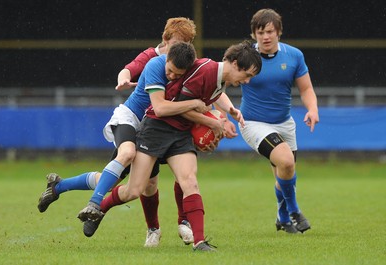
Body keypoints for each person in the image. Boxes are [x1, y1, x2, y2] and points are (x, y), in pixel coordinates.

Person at [79, 40, 262, 252]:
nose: (247, 81)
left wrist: (224, 118)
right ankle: (99, 208)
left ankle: (200, 242)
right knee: (134, 190)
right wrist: (212, 122)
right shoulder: (206, 71)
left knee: (190, 182)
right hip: (156, 128)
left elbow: (208, 103)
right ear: (235, 63)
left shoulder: (220, 80)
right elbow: (177, 108)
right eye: (247, 74)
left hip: (180, 134)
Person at [37, 17, 206, 246]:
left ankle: (60, 186)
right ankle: (98, 206)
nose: (180, 47)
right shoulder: (151, 58)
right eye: (178, 42)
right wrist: (124, 79)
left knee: (143, 184)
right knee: (126, 157)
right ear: (165, 39)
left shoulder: (183, 62)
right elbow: (128, 69)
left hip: (155, 128)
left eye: (186, 43)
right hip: (131, 118)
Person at [239, 9, 319, 233]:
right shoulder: (243, 56)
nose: (265, 36)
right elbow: (219, 81)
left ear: (279, 32)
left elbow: (306, 88)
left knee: (285, 173)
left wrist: (312, 109)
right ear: (254, 34)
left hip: (284, 123)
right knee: (286, 161)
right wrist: (218, 113)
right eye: (260, 32)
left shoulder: (294, 55)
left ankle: (282, 218)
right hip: (253, 123)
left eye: (270, 31)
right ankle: (294, 211)